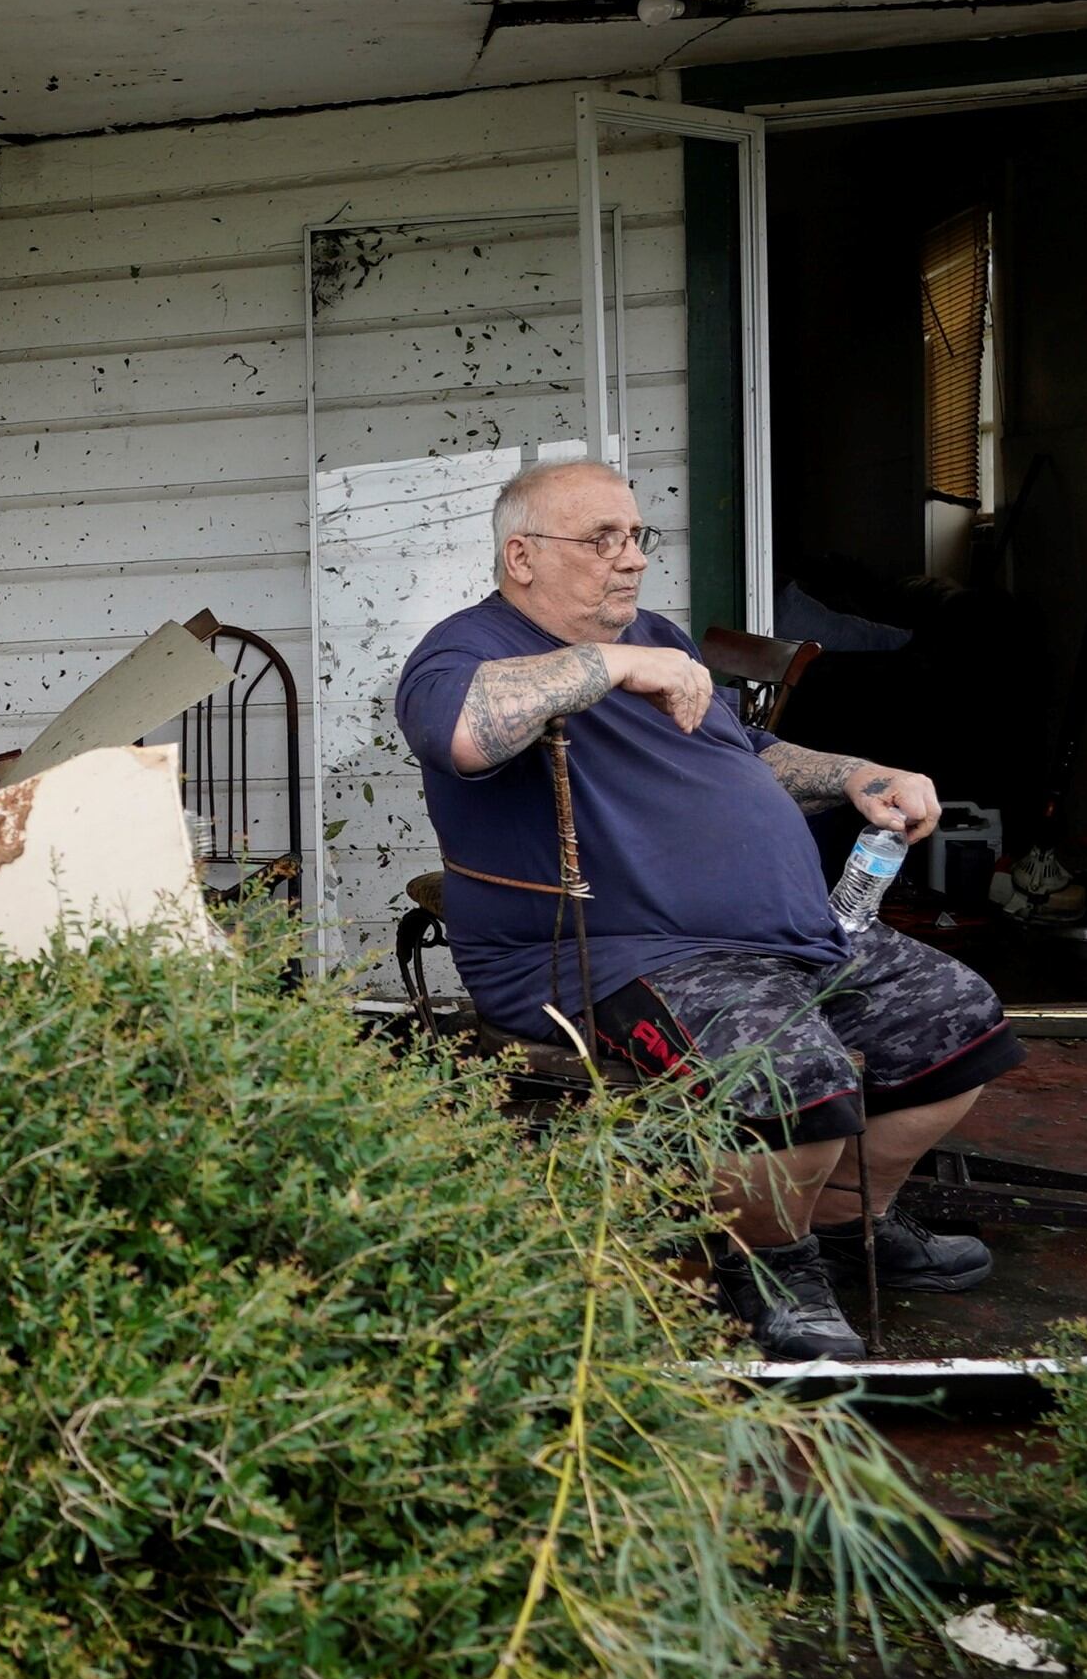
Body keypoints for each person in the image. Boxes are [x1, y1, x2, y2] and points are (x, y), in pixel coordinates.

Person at [393, 457, 1024, 1359]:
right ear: (522, 556)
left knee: (957, 1023)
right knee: (789, 1076)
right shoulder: (465, 650)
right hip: (612, 953)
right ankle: (768, 1261)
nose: (632, 558)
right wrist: (614, 662)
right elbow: (462, 728)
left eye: (636, 535)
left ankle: (849, 1221)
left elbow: (749, 749)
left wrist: (857, 775)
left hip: (782, 934)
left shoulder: (656, 633)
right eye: (600, 538)